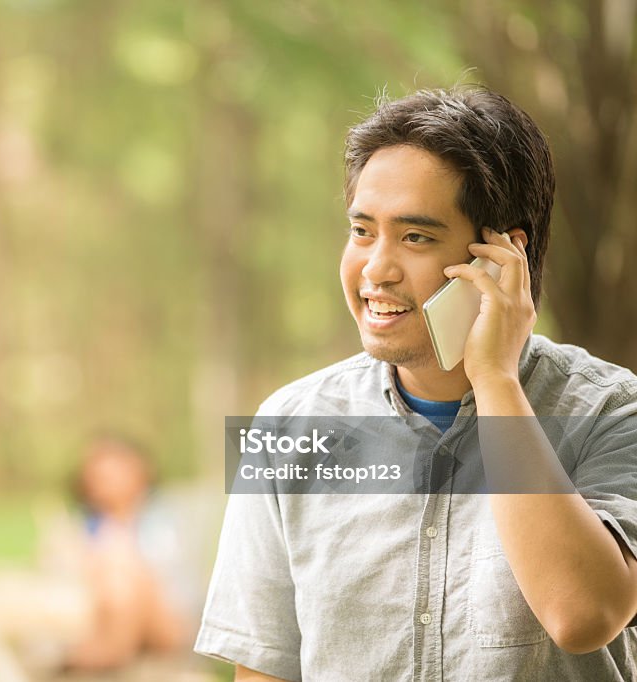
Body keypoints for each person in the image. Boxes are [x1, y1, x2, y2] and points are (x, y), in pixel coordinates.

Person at [195, 86, 637, 680]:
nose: (376, 268)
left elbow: (583, 614)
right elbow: (264, 667)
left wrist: (495, 380)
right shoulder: (290, 423)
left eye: (416, 237)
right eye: (361, 232)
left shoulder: (612, 410)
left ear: (503, 256)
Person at [59, 435, 192, 671]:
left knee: (120, 564)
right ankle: (109, 651)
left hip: (166, 622)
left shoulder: (161, 519)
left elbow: (164, 577)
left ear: (140, 475)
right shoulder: (82, 523)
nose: (105, 484)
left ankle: (108, 653)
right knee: (115, 568)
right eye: (98, 477)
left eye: (113, 475)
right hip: (99, 616)